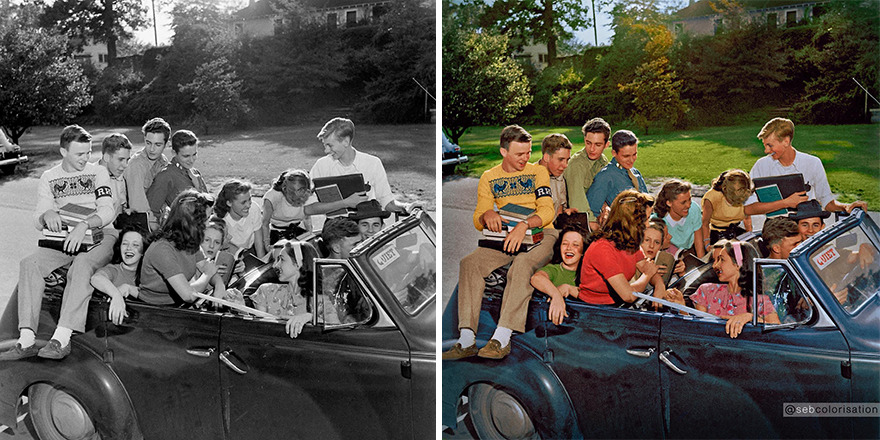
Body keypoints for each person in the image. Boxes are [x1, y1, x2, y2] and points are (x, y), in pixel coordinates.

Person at [0, 125, 118, 361]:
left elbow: (108, 211)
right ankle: (26, 340)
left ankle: (61, 339)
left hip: (101, 236)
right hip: (65, 241)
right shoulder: (49, 177)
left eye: (88, 152)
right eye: (79, 154)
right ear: (63, 152)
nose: (86, 158)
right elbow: (38, 215)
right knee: (29, 264)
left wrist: (85, 224)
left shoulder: (98, 173)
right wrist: (47, 215)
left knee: (82, 266)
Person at [443, 125, 557, 361]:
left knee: (522, 265)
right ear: (504, 152)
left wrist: (525, 225)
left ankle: (501, 338)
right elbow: (478, 216)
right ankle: (466, 340)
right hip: (507, 239)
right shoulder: (489, 177)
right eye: (519, 154)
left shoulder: (538, 173)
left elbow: (547, 210)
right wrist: (487, 215)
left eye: (528, 152)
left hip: (542, 235)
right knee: (469, 263)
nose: (526, 158)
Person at [745, 118, 867, 229]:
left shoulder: (812, 163)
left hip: (805, 228)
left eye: (770, 145)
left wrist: (846, 207)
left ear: (786, 141)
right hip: (776, 229)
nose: (766, 151)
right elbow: (748, 208)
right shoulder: (761, 166)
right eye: (765, 145)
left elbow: (827, 202)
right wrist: (785, 203)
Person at [308, 117, 412, 230]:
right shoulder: (321, 165)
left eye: (330, 145)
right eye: (325, 145)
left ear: (346, 142)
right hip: (336, 229)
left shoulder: (372, 163)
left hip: (367, 227)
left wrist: (407, 207)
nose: (326, 151)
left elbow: (387, 203)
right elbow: (308, 208)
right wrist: (345, 203)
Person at [672, 241, 780, 338]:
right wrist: (681, 307)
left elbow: (779, 332)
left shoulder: (760, 300)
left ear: (738, 264)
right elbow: (697, 331)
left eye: (721, 260)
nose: (716, 265)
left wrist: (750, 317)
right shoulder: (706, 291)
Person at [578, 190, 665, 306]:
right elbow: (628, 295)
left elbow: (646, 266)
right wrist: (647, 275)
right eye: (646, 219)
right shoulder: (602, 249)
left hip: (616, 306)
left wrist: (659, 285)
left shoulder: (629, 242)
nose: (648, 225)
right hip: (594, 310)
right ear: (631, 221)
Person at [138, 189, 220, 305]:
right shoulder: (162, 249)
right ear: (191, 222)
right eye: (205, 220)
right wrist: (208, 275)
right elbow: (188, 295)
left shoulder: (189, 241)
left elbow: (206, 266)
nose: (208, 225)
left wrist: (219, 285)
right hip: (154, 310)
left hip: (176, 307)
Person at [249, 240, 316, 338]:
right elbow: (259, 330)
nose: (276, 265)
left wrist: (310, 317)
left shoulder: (320, 298)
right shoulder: (266, 292)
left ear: (298, 264)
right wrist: (240, 306)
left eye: (282, 260)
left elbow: (337, 326)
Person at [586, 130, 648, 230]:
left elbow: (648, 204)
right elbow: (591, 211)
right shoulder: (605, 176)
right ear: (614, 153)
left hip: (644, 227)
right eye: (626, 156)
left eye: (634, 154)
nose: (631, 160)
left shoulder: (636, 173)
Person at [147, 129, 208, 223]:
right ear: (174, 153)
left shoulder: (195, 172)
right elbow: (151, 211)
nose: (192, 160)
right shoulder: (165, 176)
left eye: (194, 154)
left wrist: (198, 186)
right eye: (186, 156)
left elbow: (208, 207)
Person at [90, 228, 146, 325]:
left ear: (143, 252)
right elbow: (97, 278)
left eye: (135, 245)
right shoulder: (114, 270)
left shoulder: (148, 274)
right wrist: (116, 296)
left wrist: (128, 288)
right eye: (125, 243)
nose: (129, 248)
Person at [529, 228, 586, 325]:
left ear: (583, 251)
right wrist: (556, 296)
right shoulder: (554, 269)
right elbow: (537, 278)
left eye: (575, 245)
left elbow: (594, 296)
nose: (569, 248)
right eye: (565, 243)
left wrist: (569, 288)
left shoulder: (588, 274)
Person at [124, 118, 171, 231]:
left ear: (166, 144)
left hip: (159, 218)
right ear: (144, 139)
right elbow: (138, 207)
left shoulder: (163, 161)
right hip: (140, 224)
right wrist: (155, 227)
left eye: (158, 145)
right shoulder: (137, 165)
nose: (152, 149)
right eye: (148, 143)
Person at [564, 117, 611, 227]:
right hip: (578, 220)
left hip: (596, 214)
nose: (592, 149)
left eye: (598, 145)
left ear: (606, 144)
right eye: (588, 143)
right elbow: (579, 207)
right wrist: (594, 223)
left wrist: (606, 208)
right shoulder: (577, 165)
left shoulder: (603, 161)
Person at [700, 169, 753, 249]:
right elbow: (705, 224)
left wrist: (750, 235)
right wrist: (707, 244)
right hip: (717, 234)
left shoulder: (743, 194)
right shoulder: (712, 197)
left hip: (736, 232)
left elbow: (747, 218)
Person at [261, 169, 314, 247]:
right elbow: (265, 224)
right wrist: (266, 245)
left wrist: (309, 234)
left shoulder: (305, 194)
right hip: (276, 235)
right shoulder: (272, 197)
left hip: (297, 233)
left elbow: (307, 218)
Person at [654, 179, 705, 258]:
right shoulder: (657, 220)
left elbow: (699, 243)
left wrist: (701, 263)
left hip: (690, 250)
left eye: (689, 200)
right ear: (669, 203)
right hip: (669, 252)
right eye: (683, 202)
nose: (688, 205)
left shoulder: (694, 208)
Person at [215, 179, 266, 258]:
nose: (248, 205)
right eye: (243, 202)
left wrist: (261, 262)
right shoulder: (220, 219)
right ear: (229, 203)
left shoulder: (254, 209)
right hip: (229, 252)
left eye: (249, 199)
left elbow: (259, 242)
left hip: (249, 251)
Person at [635, 220, 680, 287]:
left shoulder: (662, 265)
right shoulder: (631, 263)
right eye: (647, 240)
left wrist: (680, 273)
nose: (651, 246)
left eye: (657, 242)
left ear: (661, 246)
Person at [537, 133, 573, 215]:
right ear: (547, 157)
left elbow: (559, 210)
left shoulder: (559, 177)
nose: (565, 165)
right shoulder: (529, 178)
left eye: (567, 160)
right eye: (561, 159)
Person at [99, 134, 133, 218]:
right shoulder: (89, 179)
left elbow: (121, 208)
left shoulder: (119, 176)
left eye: (127, 160)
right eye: (121, 159)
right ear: (106, 157)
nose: (125, 165)